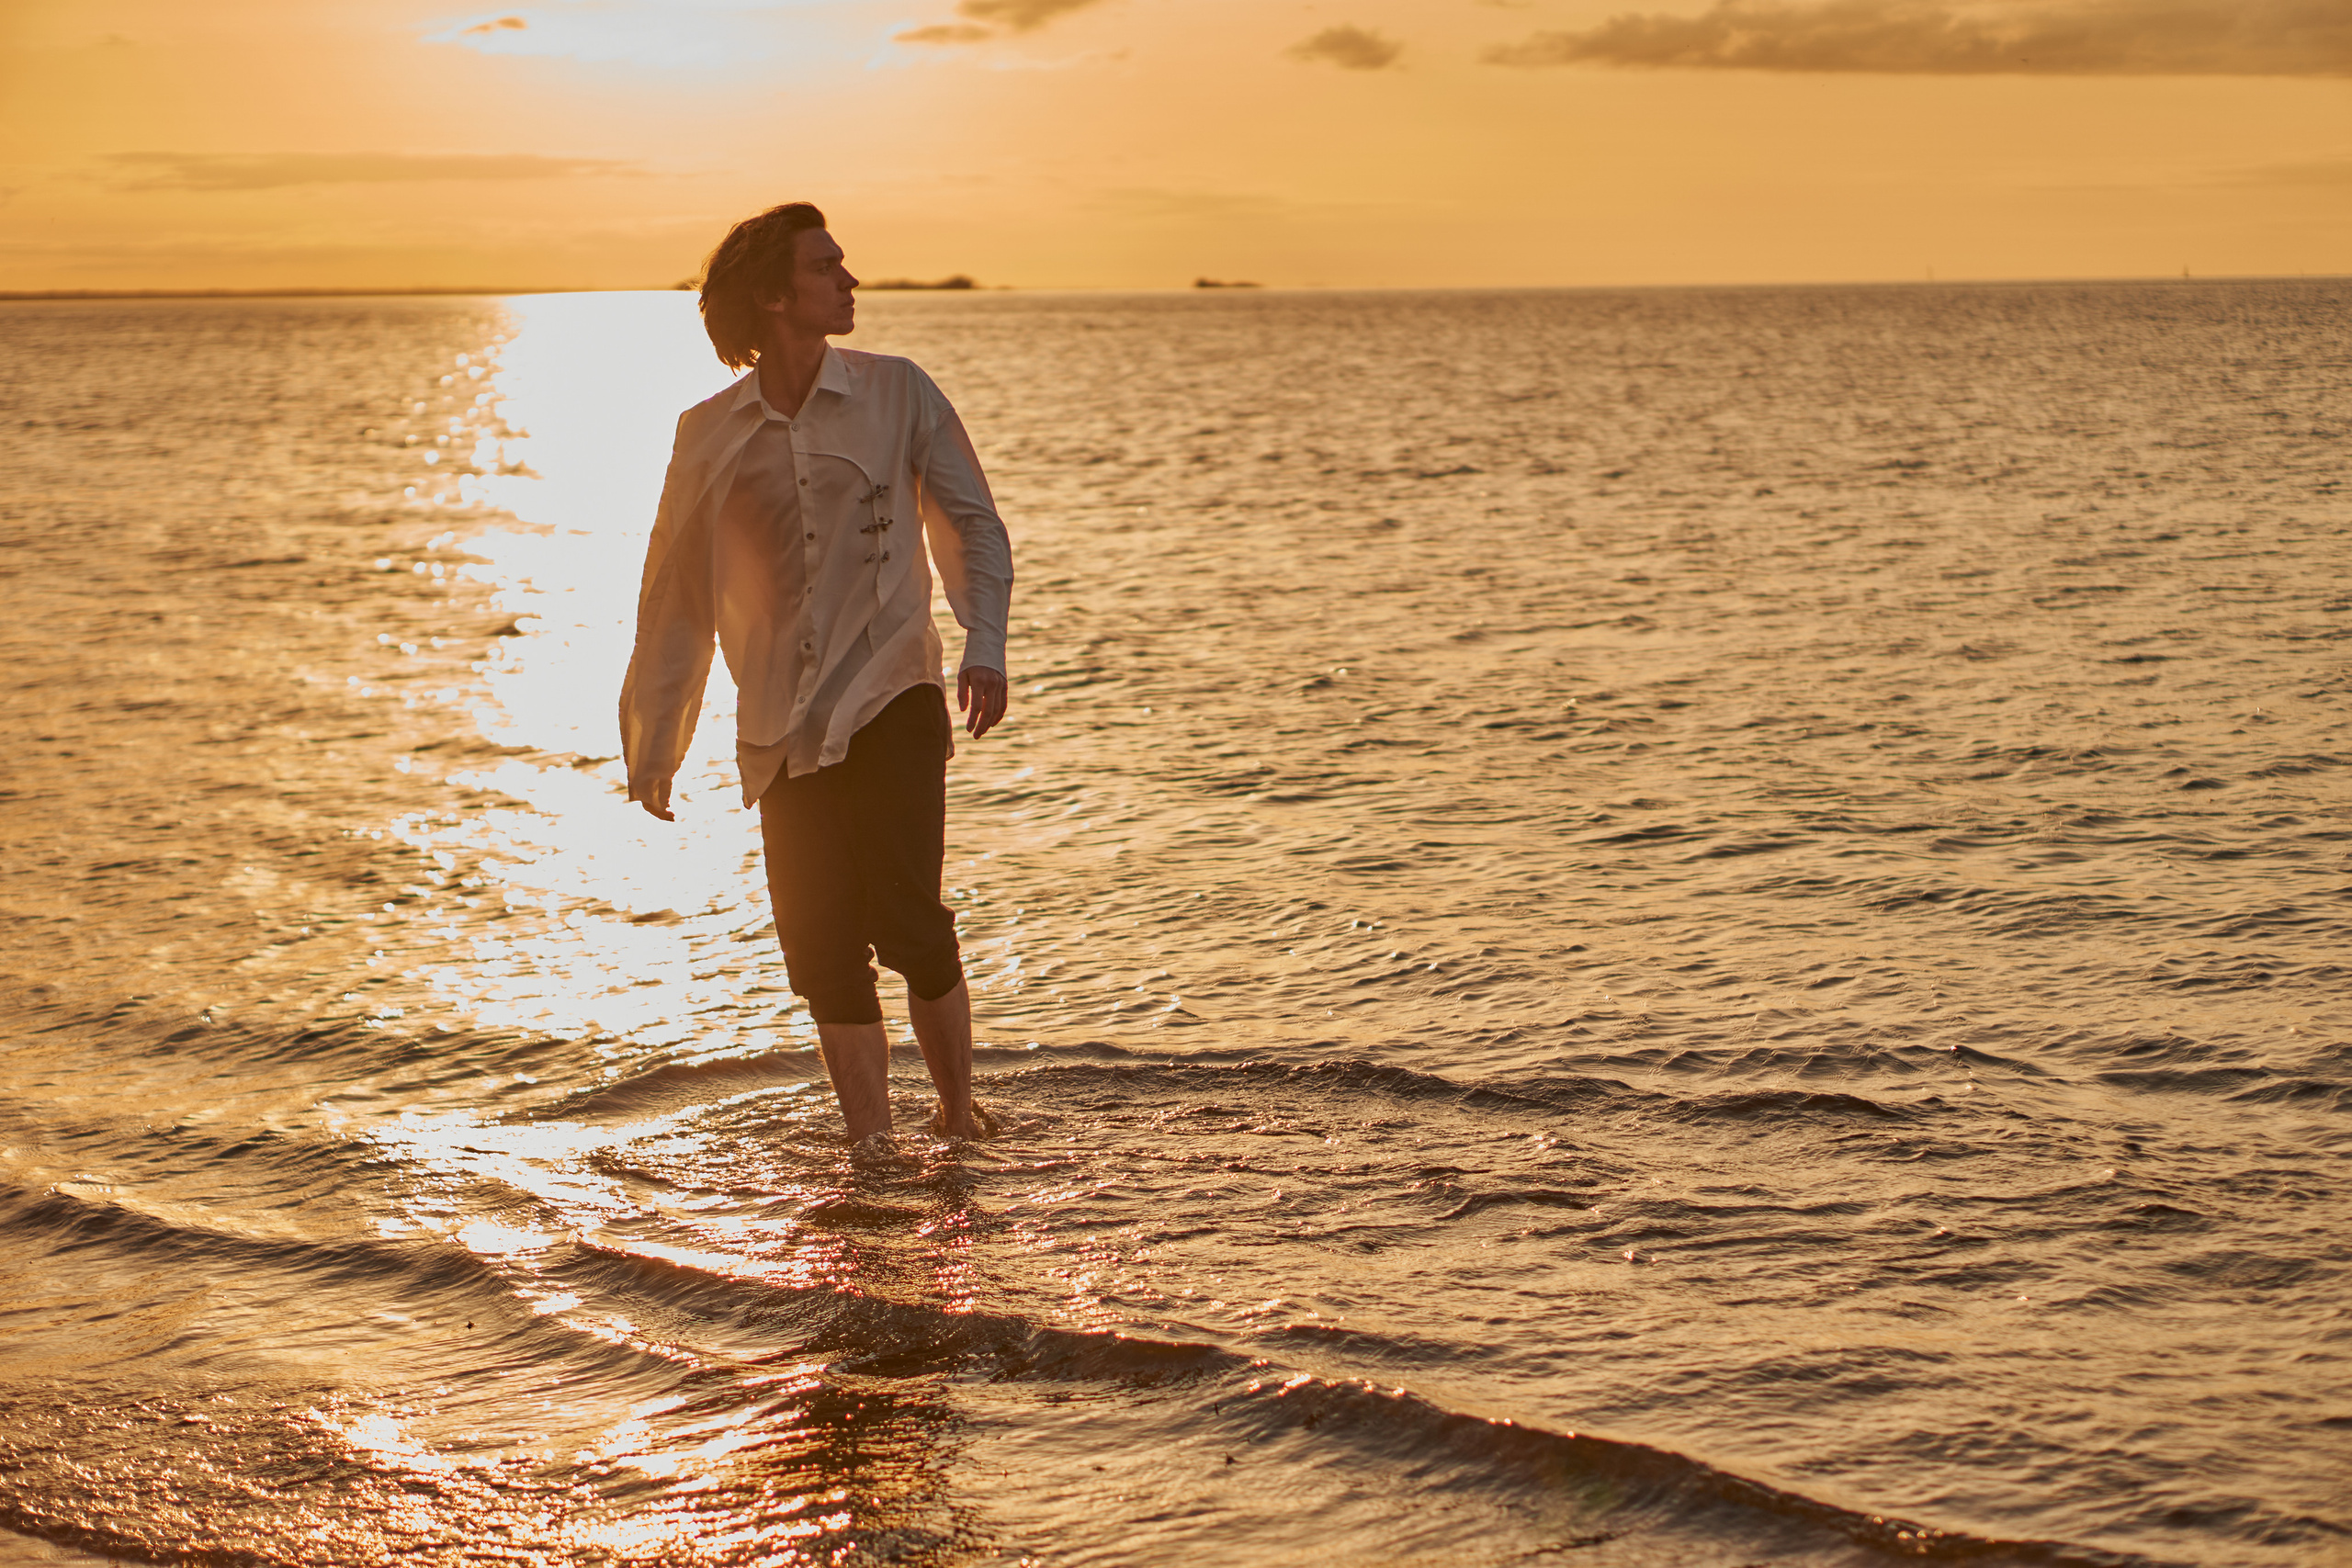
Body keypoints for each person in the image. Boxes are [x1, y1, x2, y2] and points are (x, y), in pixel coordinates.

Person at [618, 201, 1012, 1151]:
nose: (849, 280)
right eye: (826, 267)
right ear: (771, 295)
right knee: (821, 947)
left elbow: (972, 522)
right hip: (778, 726)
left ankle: (959, 1120)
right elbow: (675, 592)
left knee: (910, 921)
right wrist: (655, 740)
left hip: (894, 693)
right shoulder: (706, 434)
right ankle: (872, 1148)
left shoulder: (898, 393)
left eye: (843, 264)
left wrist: (983, 640)